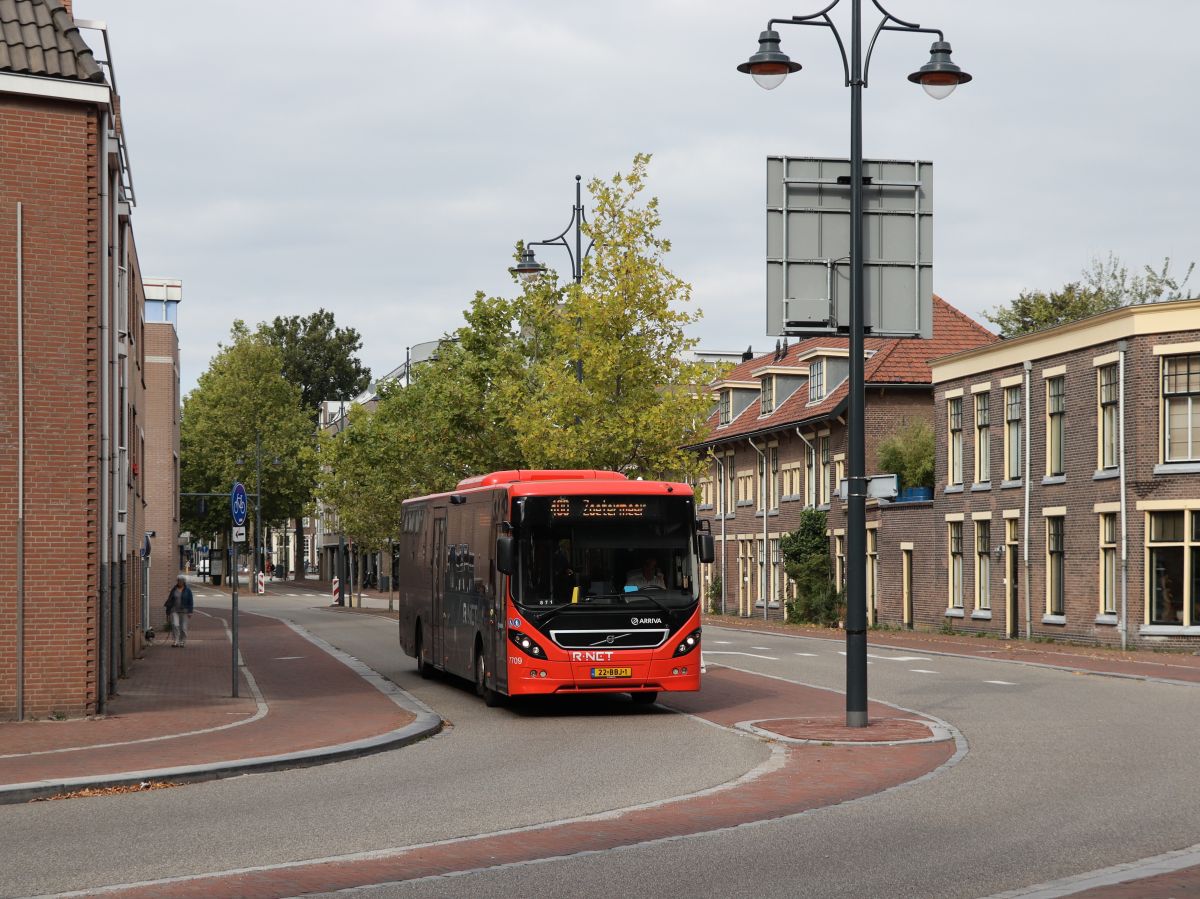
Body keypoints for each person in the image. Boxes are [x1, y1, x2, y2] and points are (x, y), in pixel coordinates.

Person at [164, 574, 194, 647]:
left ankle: (182, 641)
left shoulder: (188, 590)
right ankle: (175, 641)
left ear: (184, 582)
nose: (179, 582)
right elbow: (170, 600)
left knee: (183, 627)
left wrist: (190, 611)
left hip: (184, 611)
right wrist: (168, 611)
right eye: (178, 581)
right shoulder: (174, 589)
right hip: (174, 610)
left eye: (181, 581)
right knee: (175, 625)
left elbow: (191, 601)